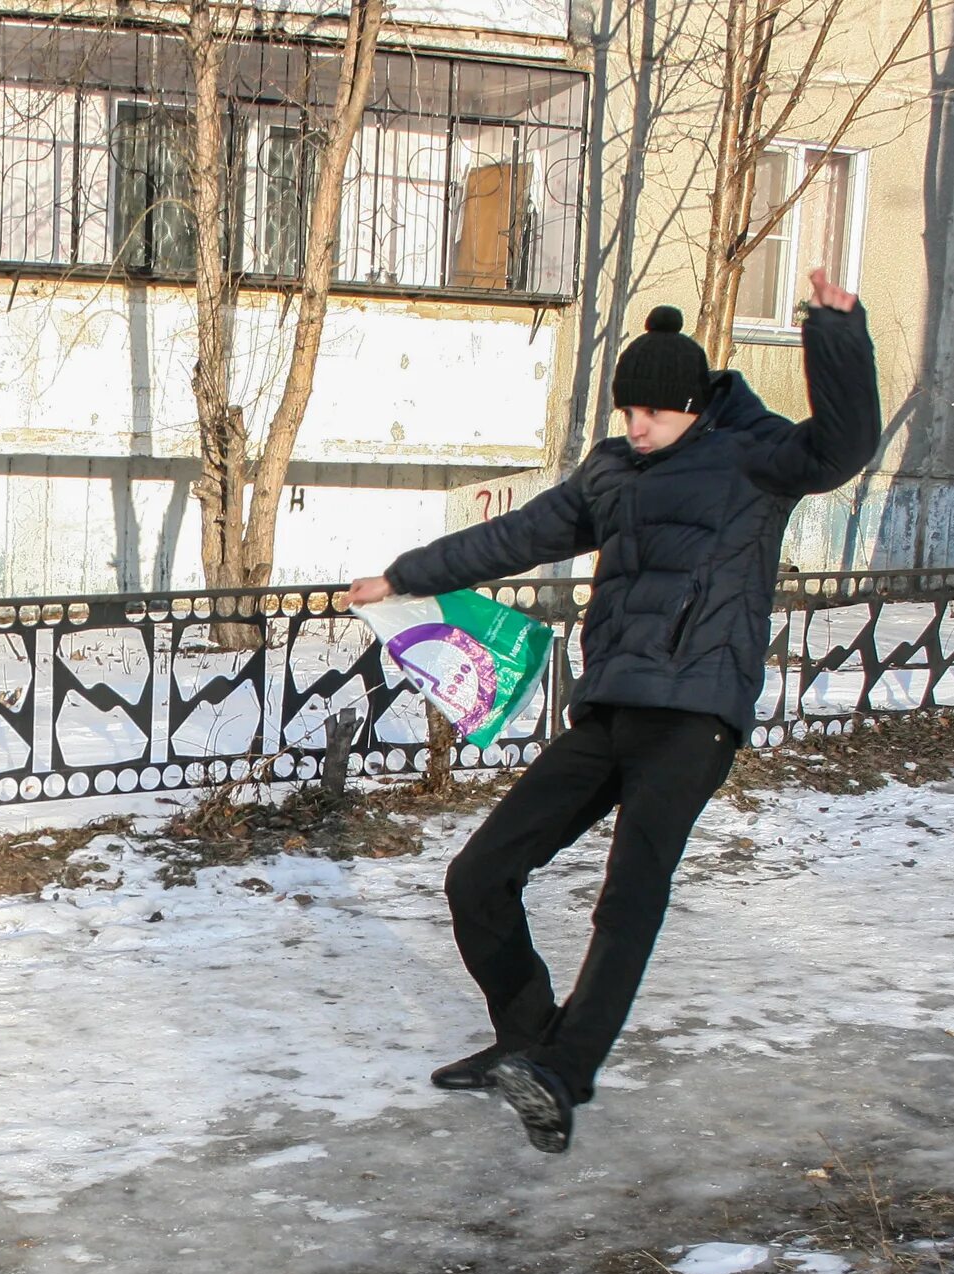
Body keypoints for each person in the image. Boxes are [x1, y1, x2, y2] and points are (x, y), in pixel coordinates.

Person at [343, 272, 880, 1155]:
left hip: (696, 714)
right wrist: (403, 576)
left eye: (651, 415)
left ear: (695, 406)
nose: (635, 428)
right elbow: (513, 537)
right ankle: (526, 1038)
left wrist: (835, 330)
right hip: (610, 709)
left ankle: (565, 1070)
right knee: (479, 874)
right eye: (627, 411)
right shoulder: (613, 473)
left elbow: (845, 443)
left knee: (628, 895)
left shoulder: (754, 457)